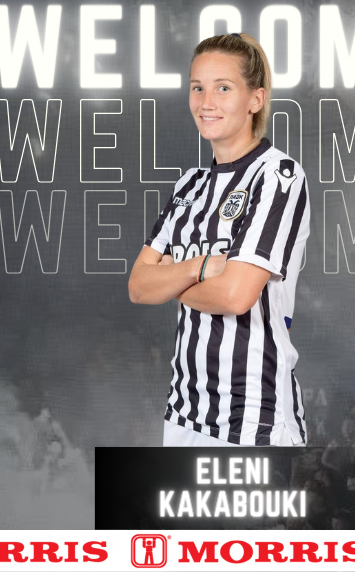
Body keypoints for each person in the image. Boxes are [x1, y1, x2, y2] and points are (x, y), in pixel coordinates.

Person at [128, 33, 311, 447]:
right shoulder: (189, 185)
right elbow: (138, 286)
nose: (206, 102)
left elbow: (235, 296)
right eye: (198, 88)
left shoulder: (278, 175)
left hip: (253, 418)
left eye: (223, 88)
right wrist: (201, 267)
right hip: (183, 413)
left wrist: (171, 280)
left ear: (255, 99)